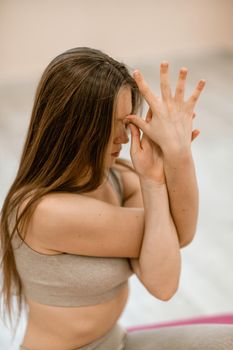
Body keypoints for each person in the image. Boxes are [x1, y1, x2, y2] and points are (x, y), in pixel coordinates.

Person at [0, 47, 232, 350]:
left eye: (127, 123)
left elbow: (174, 244)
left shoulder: (117, 178)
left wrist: (177, 156)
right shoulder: (42, 212)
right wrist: (161, 174)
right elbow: (166, 282)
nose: (124, 138)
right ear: (76, 126)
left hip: (116, 343)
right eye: (113, 123)